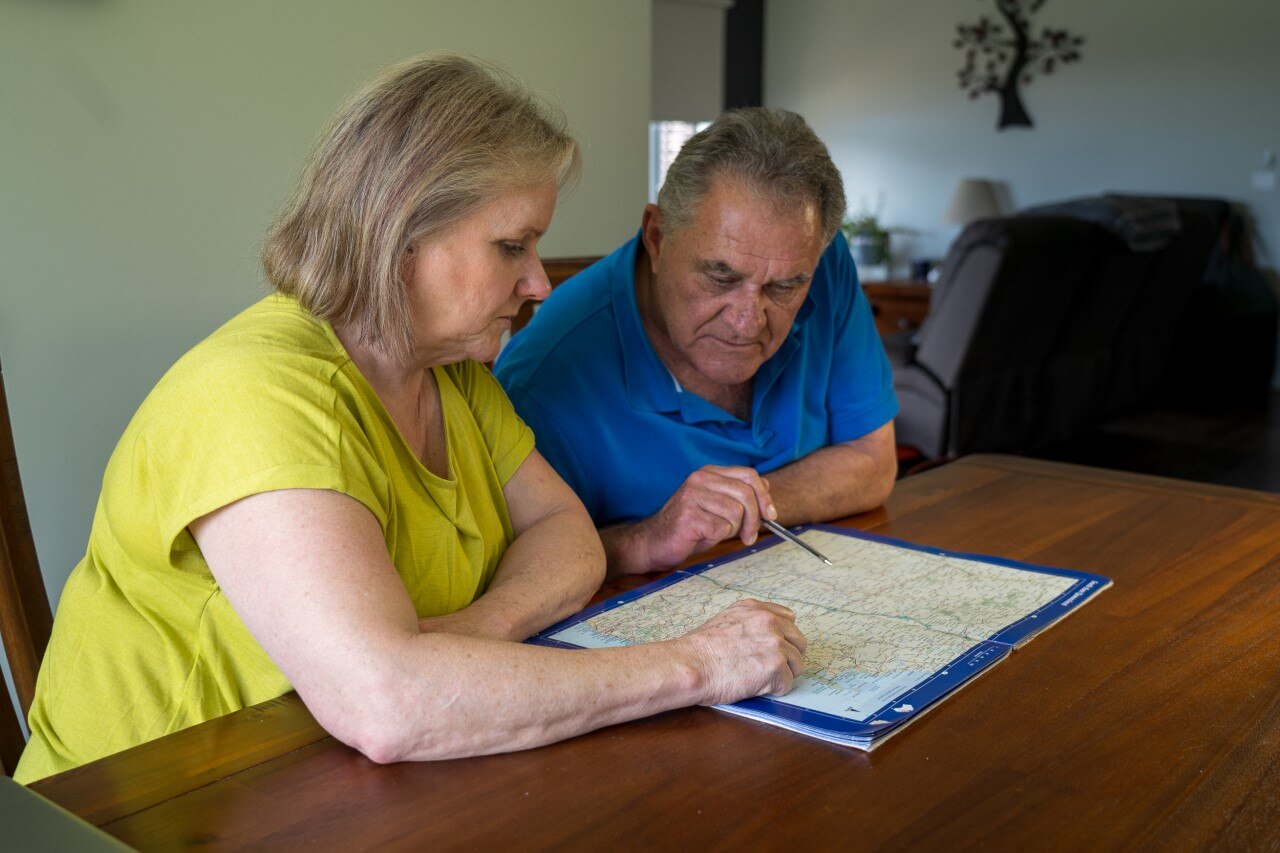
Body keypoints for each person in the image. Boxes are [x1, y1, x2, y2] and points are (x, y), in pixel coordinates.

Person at [14, 56, 807, 784]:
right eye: (512, 246)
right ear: (400, 234)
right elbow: (387, 704)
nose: (538, 281)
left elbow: (566, 537)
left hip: (326, 787)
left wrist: (467, 634)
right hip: (138, 812)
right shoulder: (255, 395)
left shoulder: (452, 375)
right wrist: (697, 665)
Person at [495, 109, 898, 577]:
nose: (748, 323)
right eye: (720, 276)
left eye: (784, 287)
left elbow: (873, 464)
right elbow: (510, 572)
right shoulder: (543, 380)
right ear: (658, 236)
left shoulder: (817, 261)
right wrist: (646, 537)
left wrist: (732, 509)